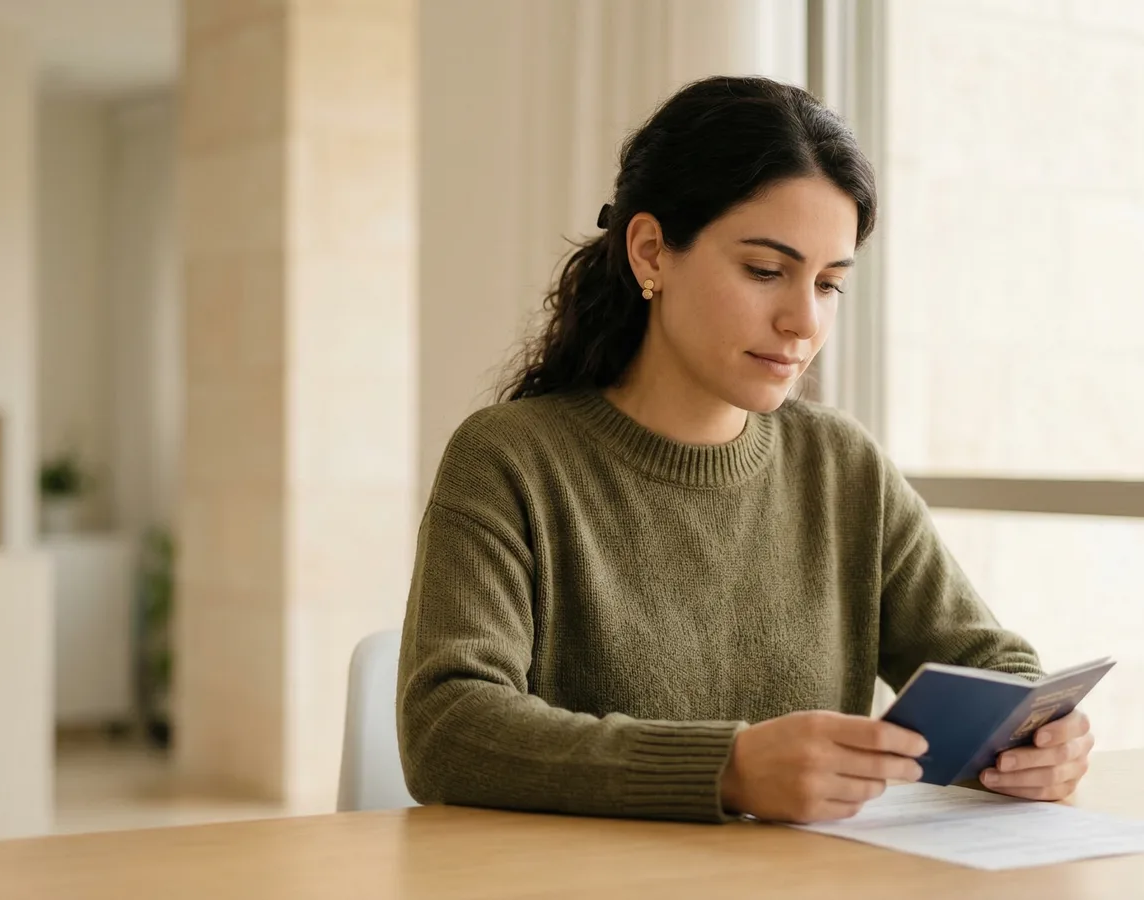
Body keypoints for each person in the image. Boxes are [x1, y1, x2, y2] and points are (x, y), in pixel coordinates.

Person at [395, 75, 1094, 824]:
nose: (802, 320)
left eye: (829, 284)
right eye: (766, 271)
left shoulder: (842, 466)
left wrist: (1039, 739)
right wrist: (724, 770)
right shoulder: (512, 460)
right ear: (652, 251)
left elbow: (994, 668)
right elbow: (448, 726)